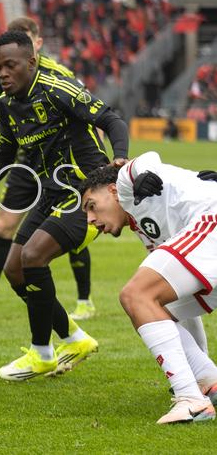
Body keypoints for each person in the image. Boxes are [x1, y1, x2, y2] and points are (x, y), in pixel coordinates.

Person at [0, 30, 129, 381]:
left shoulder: (58, 88)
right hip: (50, 194)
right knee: (14, 269)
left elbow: (111, 120)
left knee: (32, 257)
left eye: (10, 65)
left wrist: (119, 160)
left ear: (31, 62)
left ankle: (41, 353)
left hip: (86, 195)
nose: (3, 73)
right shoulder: (7, 104)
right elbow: (3, 157)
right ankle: (74, 338)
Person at [0, 17, 96, 320]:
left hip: (61, 166)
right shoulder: (6, 76)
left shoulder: (59, 76)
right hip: (24, 160)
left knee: (69, 229)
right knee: (4, 226)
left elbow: (90, 114)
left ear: (36, 45)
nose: (4, 69)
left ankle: (83, 301)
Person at [80, 153, 217, 424]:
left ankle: (191, 400)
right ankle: (206, 381)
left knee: (136, 296)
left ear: (112, 191)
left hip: (211, 222)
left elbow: (145, 160)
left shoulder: (125, 186)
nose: (90, 219)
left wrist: (141, 174)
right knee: (154, 305)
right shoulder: (146, 228)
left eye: (92, 206)